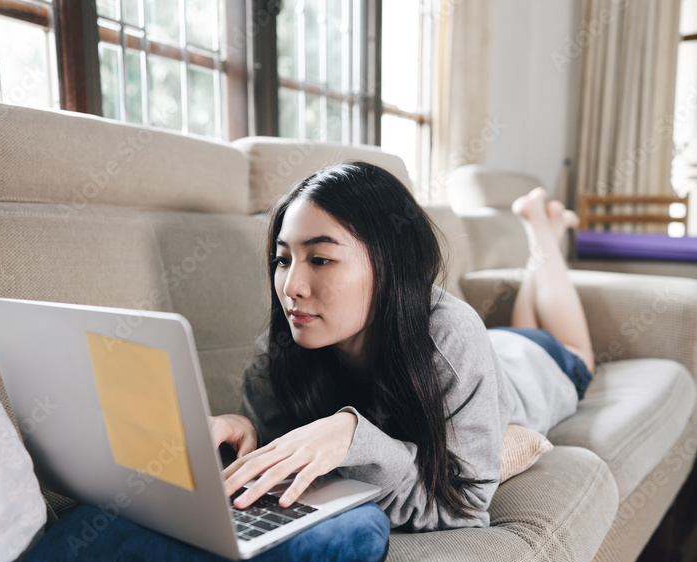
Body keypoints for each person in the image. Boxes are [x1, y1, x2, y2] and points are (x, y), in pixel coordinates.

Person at [209, 162, 594, 532]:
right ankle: (543, 234)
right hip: (491, 350)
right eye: (282, 259)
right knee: (525, 314)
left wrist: (354, 434)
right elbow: (288, 456)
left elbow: (464, 508)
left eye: (321, 259)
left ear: (390, 264)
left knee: (572, 347)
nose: (291, 286)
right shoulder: (281, 345)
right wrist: (250, 432)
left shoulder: (452, 335)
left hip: (538, 365)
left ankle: (544, 230)